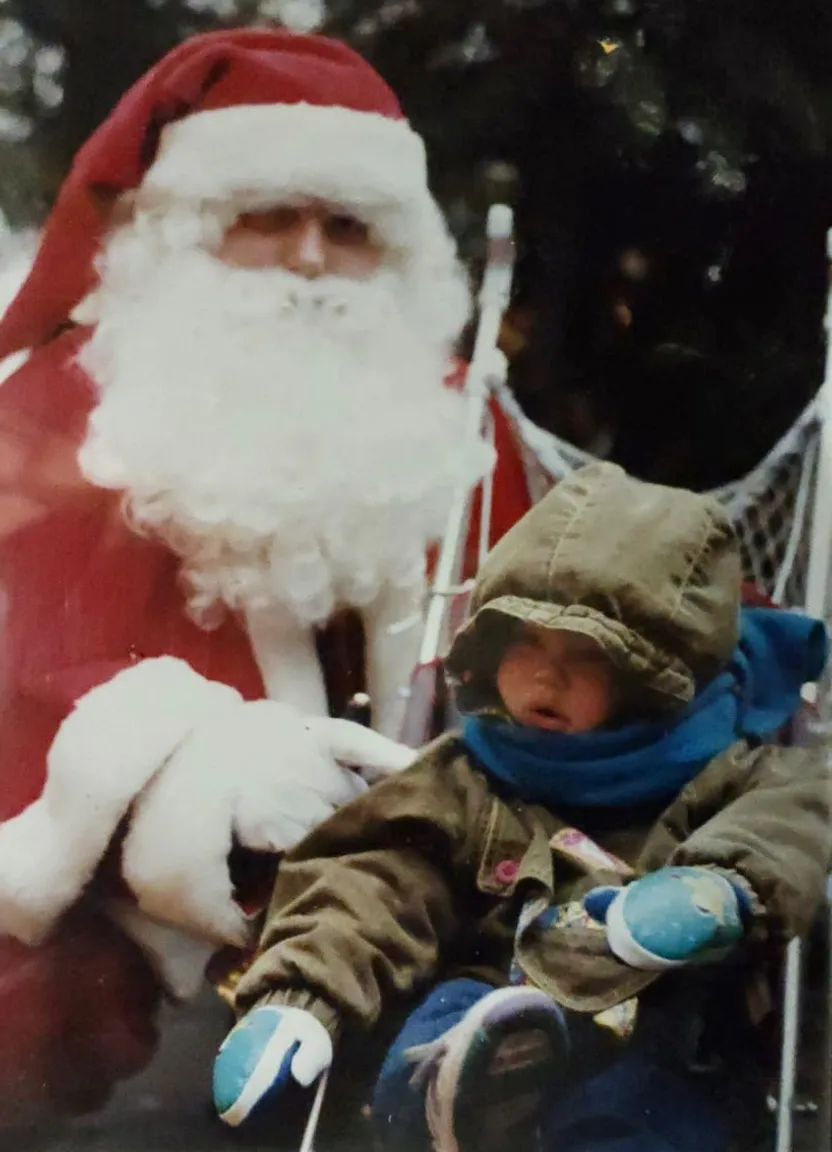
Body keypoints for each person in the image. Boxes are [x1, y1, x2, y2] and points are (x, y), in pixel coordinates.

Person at [0, 27, 534, 1120]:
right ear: (183, 232)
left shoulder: (451, 417)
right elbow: (23, 655)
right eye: (266, 218)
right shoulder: (62, 400)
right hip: (138, 949)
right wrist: (206, 755)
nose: (306, 257)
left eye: (346, 227)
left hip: (416, 921)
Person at [213, 460, 830, 1152]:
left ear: (650, 680)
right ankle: (470, 1105)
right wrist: (302, 993)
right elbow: (374, 876)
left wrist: (718, 886)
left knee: (649, 1105)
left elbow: (793, 813)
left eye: (586, 655)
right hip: (487, 999)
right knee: (435, 1036)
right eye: (525, 642)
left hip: (656, 1020)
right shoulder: (467, 775)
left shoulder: (719, 774)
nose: (545, 673)